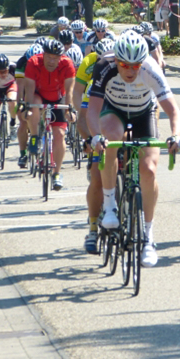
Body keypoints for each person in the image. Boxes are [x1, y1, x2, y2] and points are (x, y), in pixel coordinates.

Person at [86, 32, 180, 266]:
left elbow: (174, 111)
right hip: (114, 110)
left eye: (135, 65)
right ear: (116, 60)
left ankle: (148, 237)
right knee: (110, 137)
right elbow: (92, 110)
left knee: (149, 169)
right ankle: (109, 206)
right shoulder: (104, 66)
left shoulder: (151, 69)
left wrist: (176, 136)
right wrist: (95, 137)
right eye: (124, 65)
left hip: (144, 113)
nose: (130, 71)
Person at [72, 37, 115, 254]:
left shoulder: (132, 77)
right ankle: (92, 228)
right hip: (100, 129)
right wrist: (90, 139)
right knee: (97, 178)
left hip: (122, 124)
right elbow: (83, 116)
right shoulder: (94, 76)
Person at [22, 39, 77, 190]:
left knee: (59, 134)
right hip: (39, 94)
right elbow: (29, 89)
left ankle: (57, 173)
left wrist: (69, 109)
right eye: (49, 57)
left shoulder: (67, 64)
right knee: (33, 106)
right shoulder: (33, 62)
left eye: (55, 58)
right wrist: (27, 108)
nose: (52, 61)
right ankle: (34, 137)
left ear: (61, 57)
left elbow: (70, 90)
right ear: (43, 54)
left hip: (59, 97)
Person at [13, 43, 43, 168]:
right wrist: (21, 103)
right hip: (26, 89)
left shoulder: (44, 61)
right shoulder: (21, 62)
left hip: (40, 89)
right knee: (23, 121)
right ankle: (23, 154)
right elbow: (20, 86)